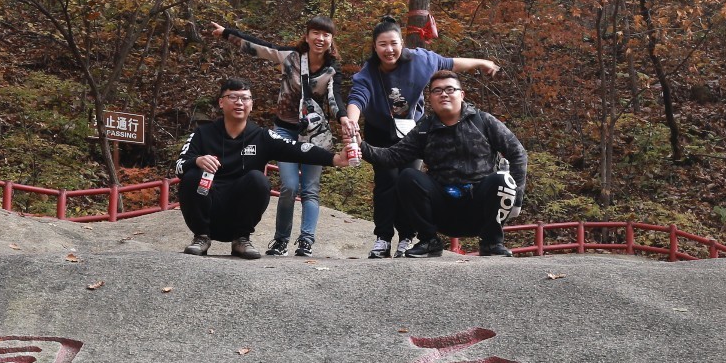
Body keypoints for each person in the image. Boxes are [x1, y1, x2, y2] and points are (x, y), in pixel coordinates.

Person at [340, 18, 501, 257]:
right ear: (374, 47)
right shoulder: (368, 73)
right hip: (379, 131)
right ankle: (383, 238)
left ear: (402, 43)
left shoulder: (421, 60)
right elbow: (358, 98)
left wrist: (482, 62)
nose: (389, 50)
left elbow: (452, 64)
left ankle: (407, 236)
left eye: (393, 43)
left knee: (407, 182)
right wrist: (351, 122)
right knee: (386, 183)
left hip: (411, 132)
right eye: (382, 44)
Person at [205, 16, 344, 257]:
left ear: (331, 39)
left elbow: (335, 98)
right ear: (307, 35)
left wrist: (343, 118)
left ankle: (306, 241)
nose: (320, 39)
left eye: (326, 35)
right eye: (316, 33)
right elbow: (260, 47)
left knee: (310, 189)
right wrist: (227, 33)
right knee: (289, 187)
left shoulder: (333, 69)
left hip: (313, 134)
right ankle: (281, 240)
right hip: (284, 130)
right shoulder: (290, 57)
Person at [175, 78, 349, 258]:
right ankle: (201, 237)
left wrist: (335, 158)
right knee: (192, 175)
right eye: (233, 97)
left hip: (239, 214)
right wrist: (196, 161)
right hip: (208, 208)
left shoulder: (261, 136)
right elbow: (179, 167)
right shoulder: (202, 134)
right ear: (221, 102)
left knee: (258, 179)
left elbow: (298, 150)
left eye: (245, 98)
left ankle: (241, 239)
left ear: (251, 104)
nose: (239, 103)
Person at [361, 70, 527, 257]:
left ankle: (492, 242)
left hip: (479, 207)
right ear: (430, 98)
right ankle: (428, 241)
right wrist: (359, 146)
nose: (444, 94)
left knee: (501, 179)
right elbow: (392, 156)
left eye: (450, 89)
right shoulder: (424, 129)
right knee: (408, 177)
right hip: (442, 209)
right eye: (437, 91)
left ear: (461, 94)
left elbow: (518, 154)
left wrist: (516, 201)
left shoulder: (483, 121)